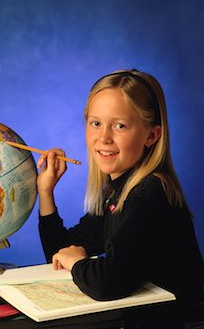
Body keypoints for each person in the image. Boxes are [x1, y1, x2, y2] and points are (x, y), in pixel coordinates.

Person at [37, 69, 204, 304]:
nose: (103, 138)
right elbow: (60, 253)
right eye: (96, 123)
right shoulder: (117, 194)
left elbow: (108, 283)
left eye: (120, 126)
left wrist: (77, 263)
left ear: (151, 135)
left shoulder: (150, 193)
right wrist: (46, 192)